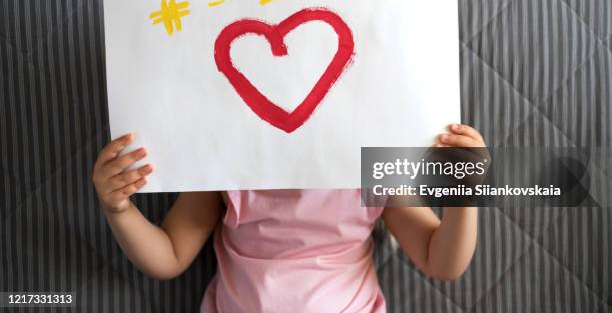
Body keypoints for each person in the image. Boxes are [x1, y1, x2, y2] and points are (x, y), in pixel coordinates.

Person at [92, 123, 484, 312]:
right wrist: (119, 210)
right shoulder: (226, 165)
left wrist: (466, 193)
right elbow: (169, 257)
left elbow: (441, 260)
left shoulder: (373, 167)